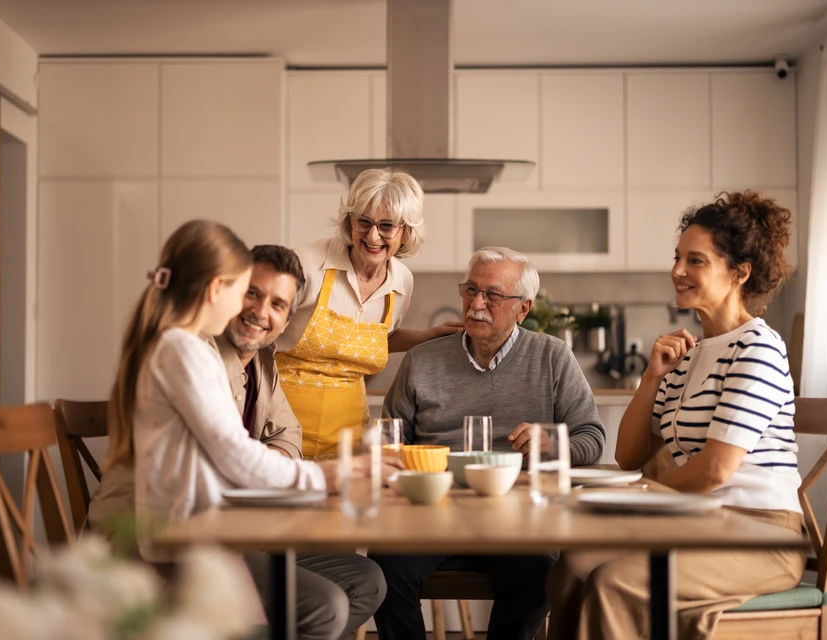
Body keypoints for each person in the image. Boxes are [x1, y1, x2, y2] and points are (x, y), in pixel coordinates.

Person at [102, 223, 387, 640]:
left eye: (277, 303)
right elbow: (234, 454)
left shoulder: (205, 351)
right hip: (172, 542)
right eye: (247, 292)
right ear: (220, 289)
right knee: (323, 608)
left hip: (209, 529)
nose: (254, 309)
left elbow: (271, 442)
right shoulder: (189, 352)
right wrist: (328, 475)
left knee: (361, 580)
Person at [546, 191, 806, 640]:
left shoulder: (758, 348)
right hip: (697, 523)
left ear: (739, 273)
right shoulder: (687, 354)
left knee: (614, 583)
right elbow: (629, 455)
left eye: (696, 260)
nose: (677, 271)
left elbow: (713, 471)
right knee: (573, 566)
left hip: (760, 535)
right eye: (677, 257)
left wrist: (640, 502)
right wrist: (650, 377)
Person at [371, 246, 606, 640]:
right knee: (383, 570)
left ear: (523, 308)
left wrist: (552, 444)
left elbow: (592, 438)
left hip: (517, 516)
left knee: (539, 578)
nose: (477, 304)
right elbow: (391, 440)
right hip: (432, 509)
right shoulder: (421, 360)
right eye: (470, 290)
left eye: (492, 295)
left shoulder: (553, 356)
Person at [275, 168, 462, 459]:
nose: (372, 235)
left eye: (387, 226)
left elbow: (374, 338)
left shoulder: (401, 282)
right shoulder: (306, 264)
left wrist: (427, 337)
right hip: (280, 433)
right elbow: (258, 333)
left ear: (406, 232)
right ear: (350, 221)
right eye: (364, 221)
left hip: (349, 439)